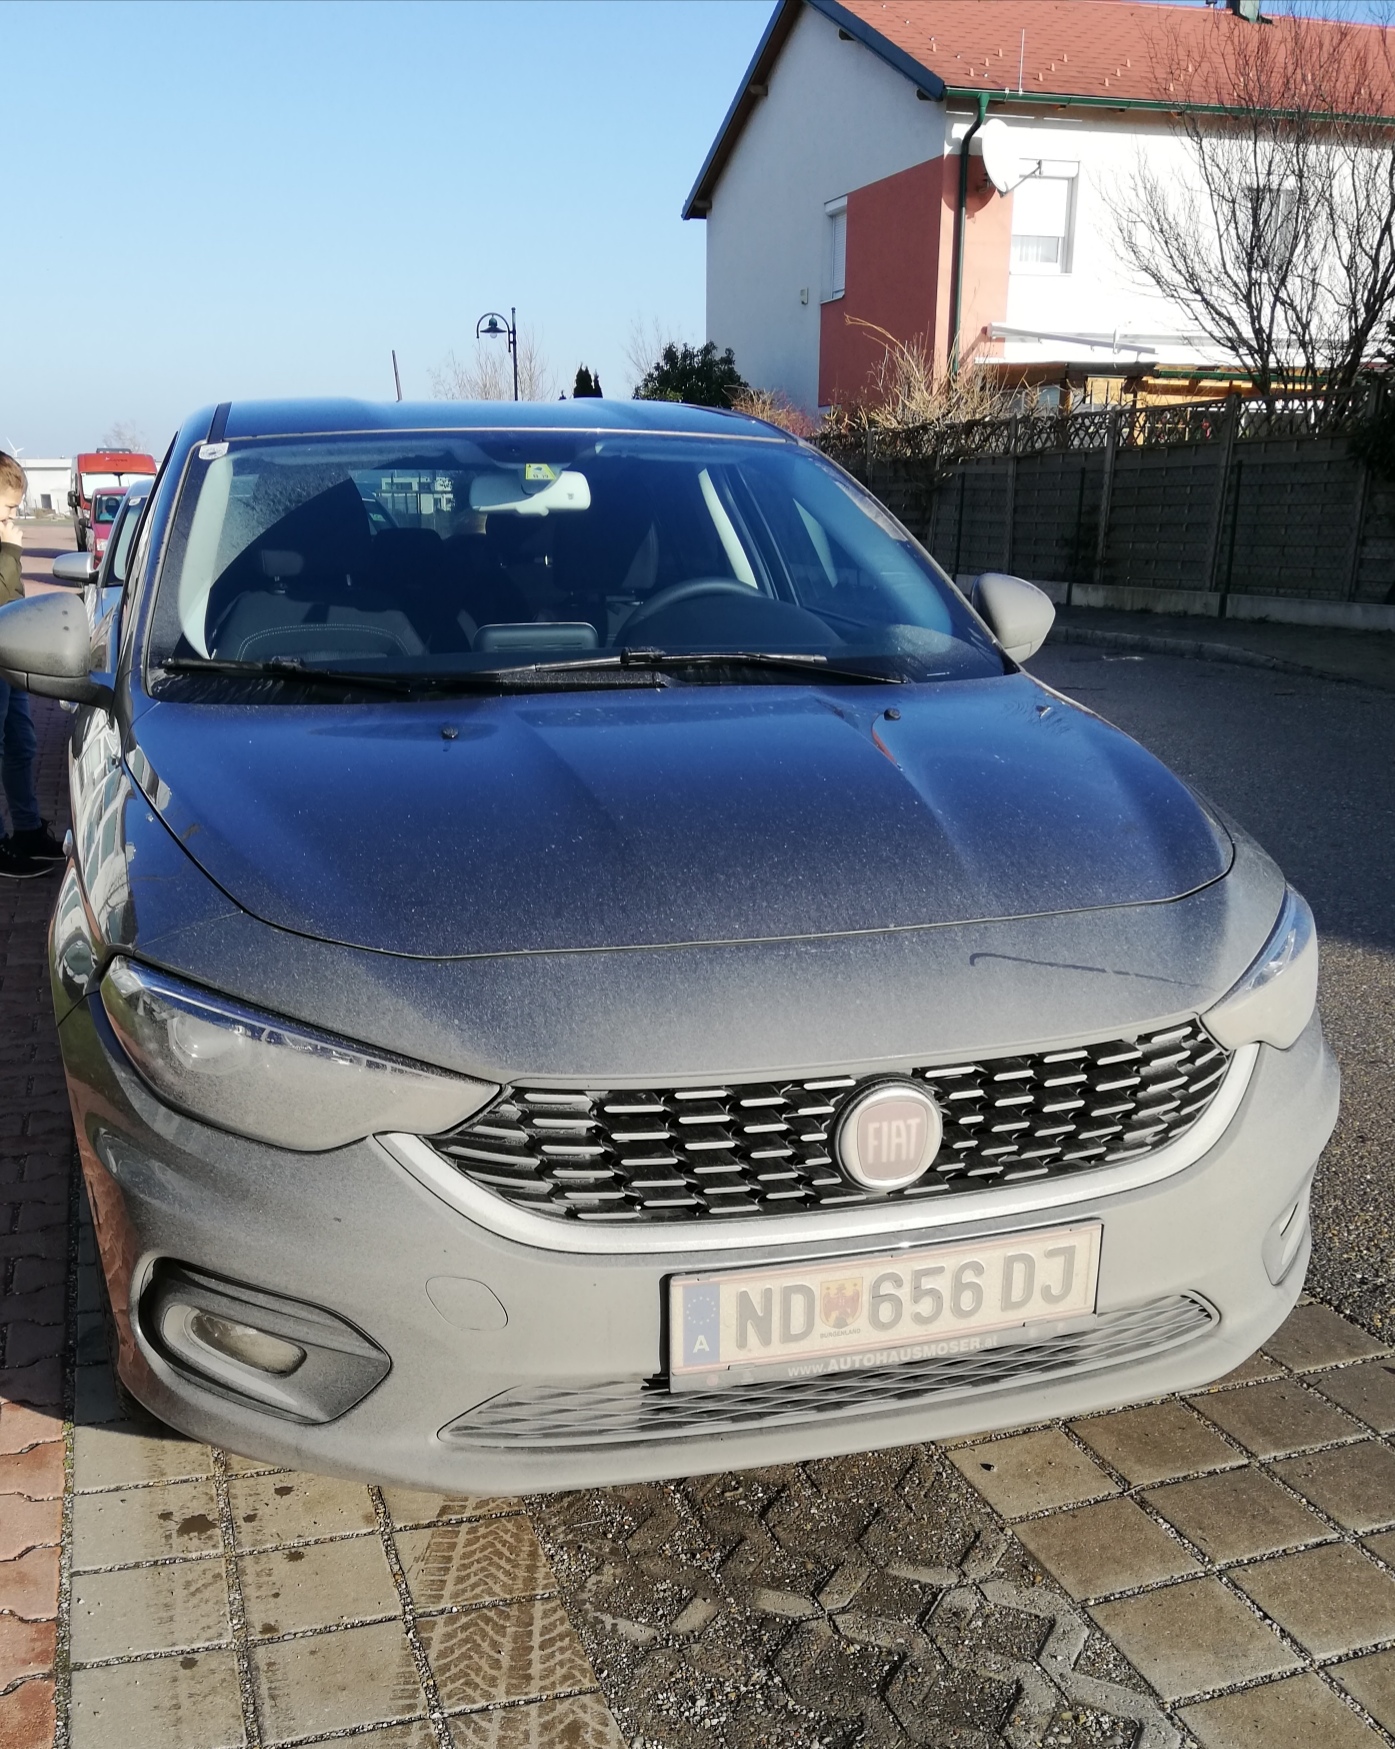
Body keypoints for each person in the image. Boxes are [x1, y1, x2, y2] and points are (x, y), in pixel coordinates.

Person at [0, 452, 64, 879]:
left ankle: (26, 831)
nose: (12, 516)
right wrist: (10, 550)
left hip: (9, 654)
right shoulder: (6, 544)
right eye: (8, 507)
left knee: (21, 743)